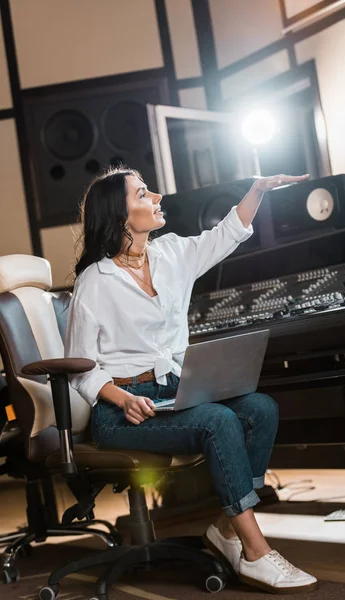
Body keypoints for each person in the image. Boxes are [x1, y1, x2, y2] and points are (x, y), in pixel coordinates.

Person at [65, 167, 318, 595]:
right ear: (120, 215)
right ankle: (256, 551)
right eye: (144, 193)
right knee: (219, 420)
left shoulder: (172, 254)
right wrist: (121, 397)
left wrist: (257, 190)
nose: (158, 197)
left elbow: (227, 233)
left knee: (260, 409)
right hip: (120, 409)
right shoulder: (94, 283)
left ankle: (227, 528)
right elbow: (80, 367)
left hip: (173, 392)